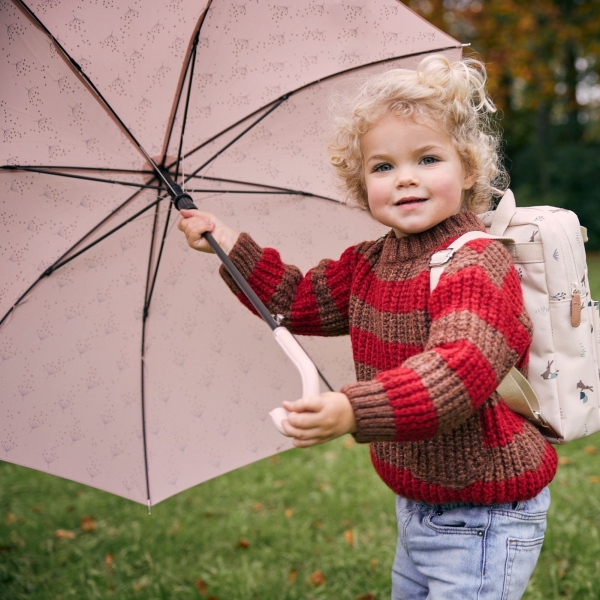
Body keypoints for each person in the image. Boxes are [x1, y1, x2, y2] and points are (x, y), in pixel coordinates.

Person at [178, 55, 558, 599]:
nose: (405, 178)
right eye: (382, 167)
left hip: (485, 512)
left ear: (469, 169)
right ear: (361, 185)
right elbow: (296, 299)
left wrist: (354, 408)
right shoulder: (370, 262)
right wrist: (229, 243)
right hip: (420, 501)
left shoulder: (474, 265)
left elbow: (459, 369)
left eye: (427, 158)